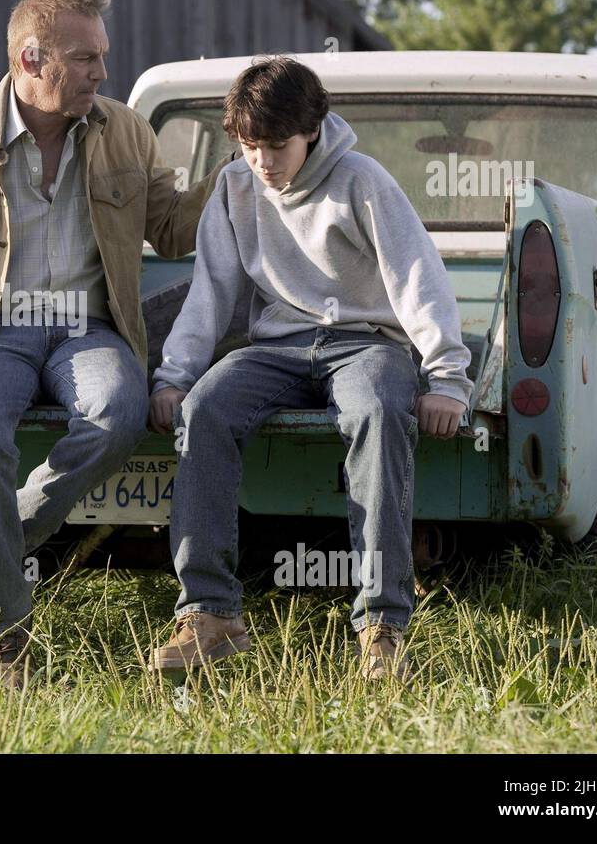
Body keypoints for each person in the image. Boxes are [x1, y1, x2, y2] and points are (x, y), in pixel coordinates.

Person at [0, 0, 232, 690]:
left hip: (86, 330)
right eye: (86, 58)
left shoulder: (125, 131)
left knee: (118, 413)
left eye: (104, 57)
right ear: (33, 58)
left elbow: (176, 228)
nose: (102, 72)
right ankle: (7, 635)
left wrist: (239, 162)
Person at [147, 56, 473, 681]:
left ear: (313, 129)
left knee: (378, 412)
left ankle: (382, 625)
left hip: (366, 343)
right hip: (279, 346)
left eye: (276, 146)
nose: (264, 163)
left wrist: (447, 378)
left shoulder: (361, 180)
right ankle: (210, 615)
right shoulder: (234, 188)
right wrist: (174, 376)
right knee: (203, 410)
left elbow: (415, 280)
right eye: (249, 148)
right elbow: (211, 292)